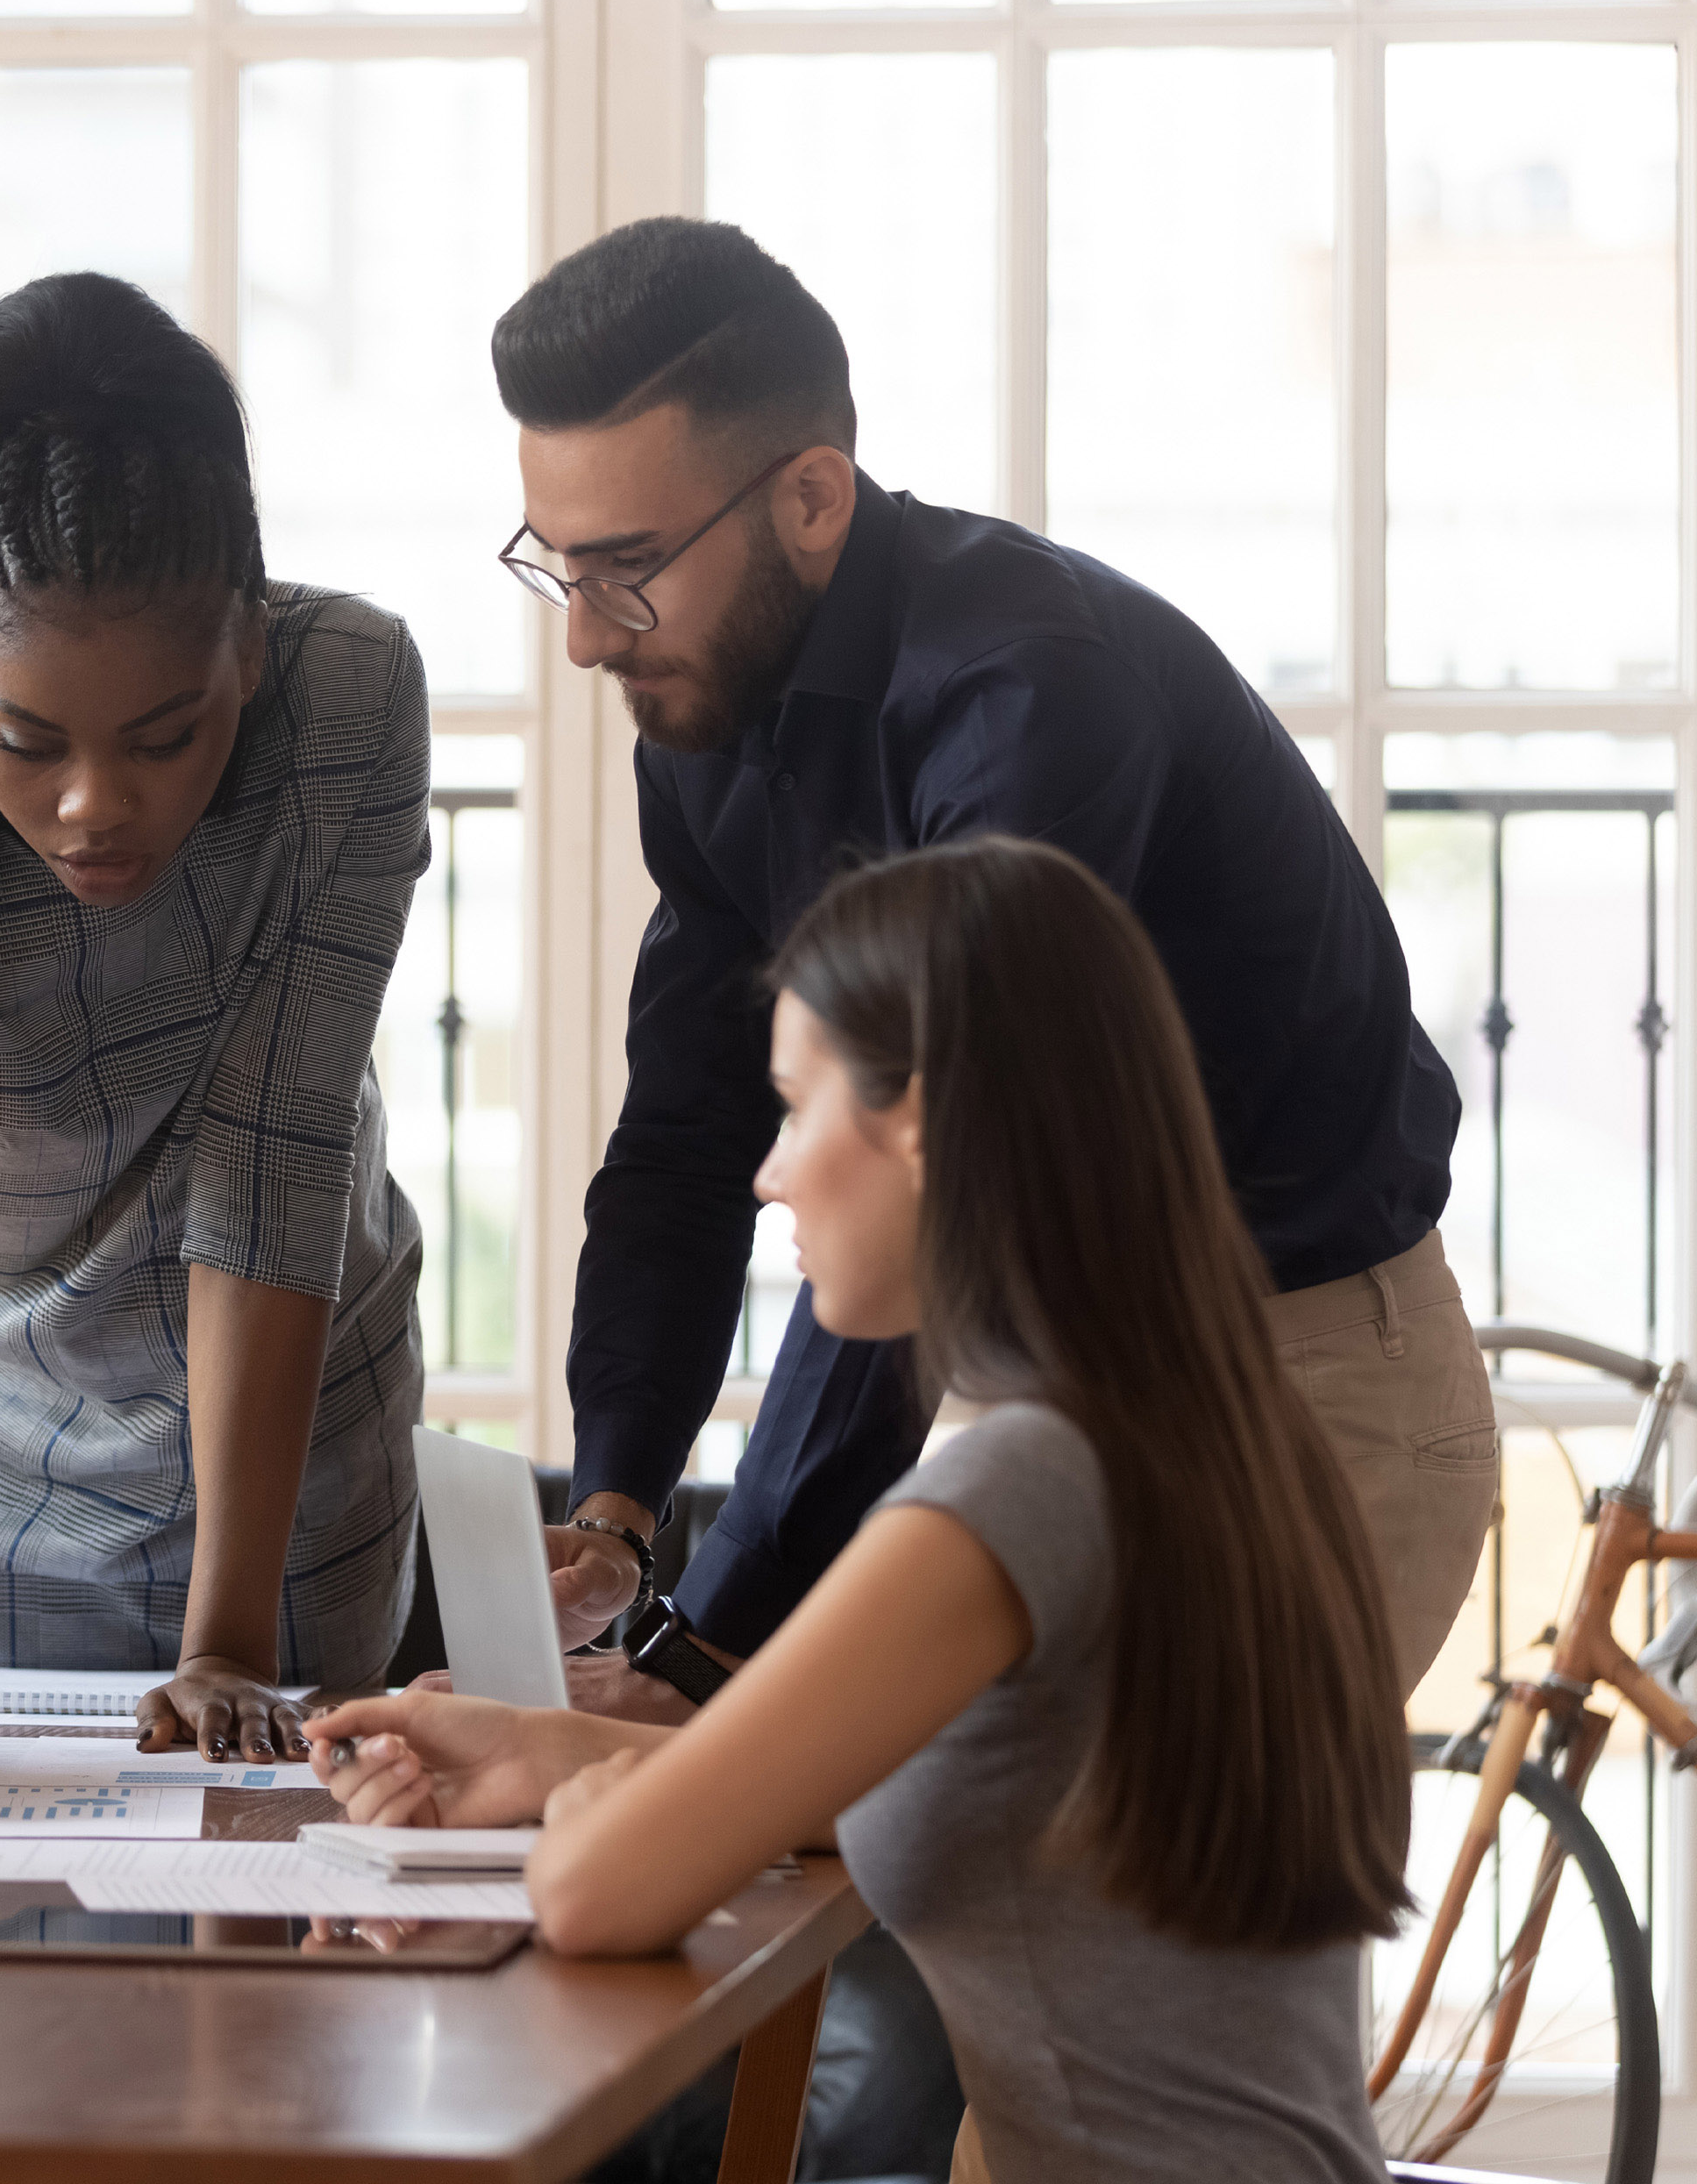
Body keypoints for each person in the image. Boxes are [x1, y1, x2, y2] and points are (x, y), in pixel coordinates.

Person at [310, 835, 1411, 2184]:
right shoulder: (1210, 1436)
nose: (768, 1173)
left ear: (925, 1121)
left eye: (794, 1105)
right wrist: (546, 1752)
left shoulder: (1016, 1486)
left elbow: (594, 1897)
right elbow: (961, 1799)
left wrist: (587, 1816)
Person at [503, 218, 1488, 1714]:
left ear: (813, 498)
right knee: (849, 1899)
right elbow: (691, 1141)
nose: (584, 640)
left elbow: (942, 1177)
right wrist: (617, 1513)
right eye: (557, 569)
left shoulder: (1031, 696)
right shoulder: (706, 728)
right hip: (1027, 1388)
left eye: (628, 570)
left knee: (1097, 1940)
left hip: (1298, 1390)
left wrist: (701, 1656)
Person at [0, 271, 430, 1778]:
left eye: (163, 736)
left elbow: (273, 1148)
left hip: (293, 1480)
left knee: (276, 1944)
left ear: (247, 652)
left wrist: (228, 1647)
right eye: (27, 739)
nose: (94, 806)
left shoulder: (346, 706)